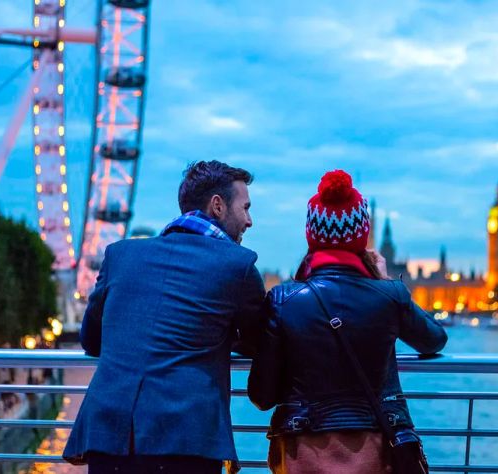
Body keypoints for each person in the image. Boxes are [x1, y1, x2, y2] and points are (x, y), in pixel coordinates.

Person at [64, 160, 267, 474]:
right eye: (246, 207)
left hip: (110, 435)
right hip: (185, 440)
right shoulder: (238, 265)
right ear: (217, 206)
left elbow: (91, 339)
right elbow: (259, 344)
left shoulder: (121, 255)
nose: (250, 220)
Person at [248, 170, 448, 474]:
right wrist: (384, 281)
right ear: (362, 236)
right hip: (375, 451)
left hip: (302, 453)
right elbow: (434, 339)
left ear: (312, 236)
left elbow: (262, 397)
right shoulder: (389, 295)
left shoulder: (283, 300)